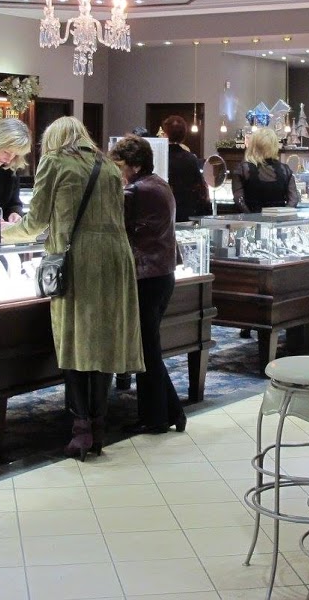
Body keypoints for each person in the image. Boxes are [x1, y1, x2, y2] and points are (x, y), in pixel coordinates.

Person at [2, 116, 142, 461]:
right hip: (116, 257)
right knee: (105, 342)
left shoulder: (54, 162)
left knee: (74, 340)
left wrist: (1, 232)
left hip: (79, 258)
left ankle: (81, 428)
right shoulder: (108, 167)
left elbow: (35, 222)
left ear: (54, 139)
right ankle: (99, 425)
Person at [110, 135, 187, 434]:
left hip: (146, 277)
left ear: (135, 165)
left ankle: (156, 419)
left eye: (120, 166)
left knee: (146, 351)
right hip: (162, 274)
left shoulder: (136, 191)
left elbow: (113, 224)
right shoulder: (160, 184)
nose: (118, 172)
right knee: (149, 348)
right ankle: (170, 412)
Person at [232, 127, 300, 213]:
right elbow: (293, 200)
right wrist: (281, 215)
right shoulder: (285, 170)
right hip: (278, 220)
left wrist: (251, 217)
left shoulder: (243, 169)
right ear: (274, 146)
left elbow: (239, 200)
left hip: (250, 219)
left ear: (253, 145)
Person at [160, 115, 211, 222]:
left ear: (165, 134)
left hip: (163, 209)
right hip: (186, 210)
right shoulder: (191, 158)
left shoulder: (159, 157)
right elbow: (199, 187)